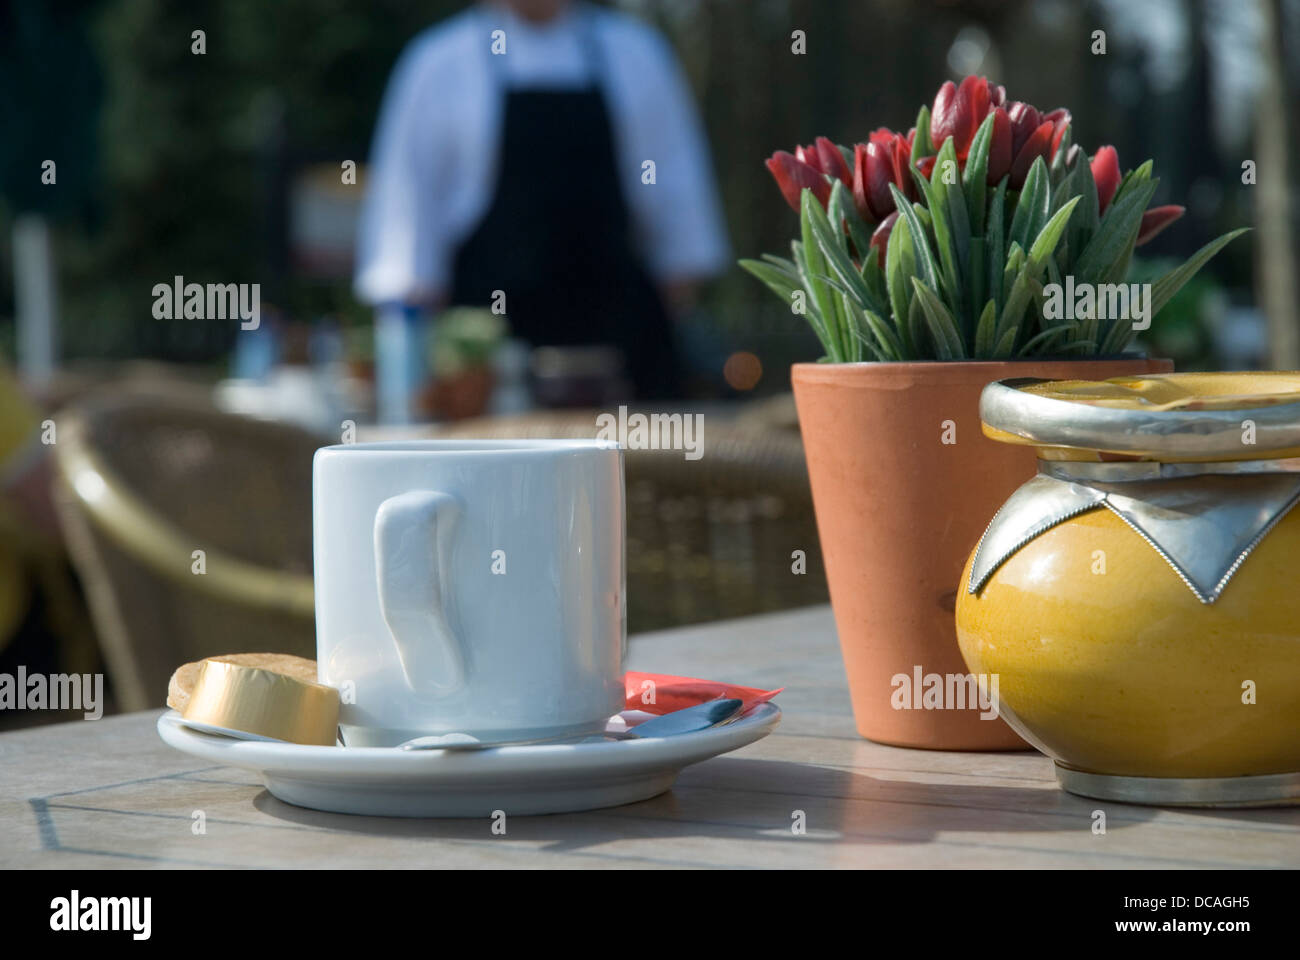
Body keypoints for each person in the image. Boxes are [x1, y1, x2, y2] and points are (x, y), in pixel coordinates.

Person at [355, 0, 728, 409]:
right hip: (492, 365)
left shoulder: (637, 54)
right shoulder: (438, 63)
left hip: (619, 353)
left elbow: (678, 203)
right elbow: (406, 225)